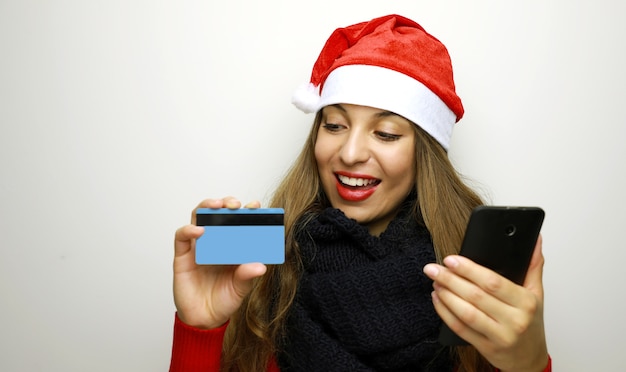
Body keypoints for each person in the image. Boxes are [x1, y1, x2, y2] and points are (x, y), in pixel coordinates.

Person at [169, 14, 552, 372]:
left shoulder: (477, 274)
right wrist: (199, 328)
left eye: (385, 133)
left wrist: (529, 363)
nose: (349, 154)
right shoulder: (261, 267)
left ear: (425, 154)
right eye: (334, 125)